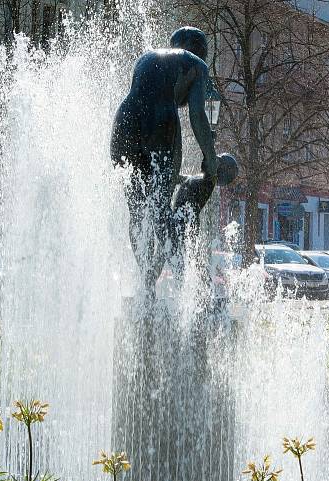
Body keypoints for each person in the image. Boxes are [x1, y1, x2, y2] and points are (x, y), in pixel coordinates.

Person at [111, 26, 218, 299]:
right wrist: (211, 157)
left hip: (123, 124)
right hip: (161, 122)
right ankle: (186, 287)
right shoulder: (196, 64)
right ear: (200, 50)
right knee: (161, 209)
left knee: (136, 210)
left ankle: (147, 281)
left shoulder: (148, 58)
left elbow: (141, 111)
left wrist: (176, 175)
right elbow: (196, 116)